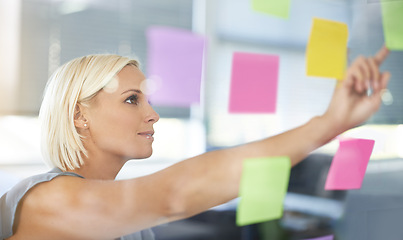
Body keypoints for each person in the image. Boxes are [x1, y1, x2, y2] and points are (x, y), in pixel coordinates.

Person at [0, 46, 390, 240]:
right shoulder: (47, 202)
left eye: (149, 100)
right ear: (78, 116)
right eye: (132, 99)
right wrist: (328, 123)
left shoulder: (131, 226)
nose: (152, 114)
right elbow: (175, 195)